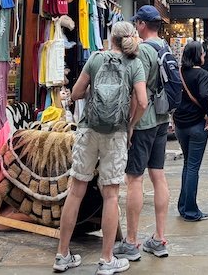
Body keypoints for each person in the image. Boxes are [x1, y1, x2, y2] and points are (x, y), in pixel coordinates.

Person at [54, 21, 147, 275]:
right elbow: (142, 101)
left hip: (88, 129)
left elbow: (75, 93)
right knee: (111, 195)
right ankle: (106, 260)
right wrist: (131, 125)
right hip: (116, 133)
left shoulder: (95, 59)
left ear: (111, 39)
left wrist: (93, 94)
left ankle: (62, 255)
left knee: (76, 191)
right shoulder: (134, 64)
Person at [114, 5, 171, 262]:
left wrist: (131, 125)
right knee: (158, 175)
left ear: (141, 25)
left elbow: (139, 96)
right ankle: (159, 238)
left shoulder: (144, 51)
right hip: (162, 118)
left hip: (144, 121)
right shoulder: (164, 46)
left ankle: (131, 241)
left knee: (134, 179)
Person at [173, 40, 208, 221]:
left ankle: (183, 206)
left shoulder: (180, 72)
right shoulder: (202, 74)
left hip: (180, 124)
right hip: (197, 124)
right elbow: (204, 95)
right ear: (198, 55)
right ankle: (190, 210)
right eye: (203, 53)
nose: (204, 55)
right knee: (193, 167)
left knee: (187, 164)